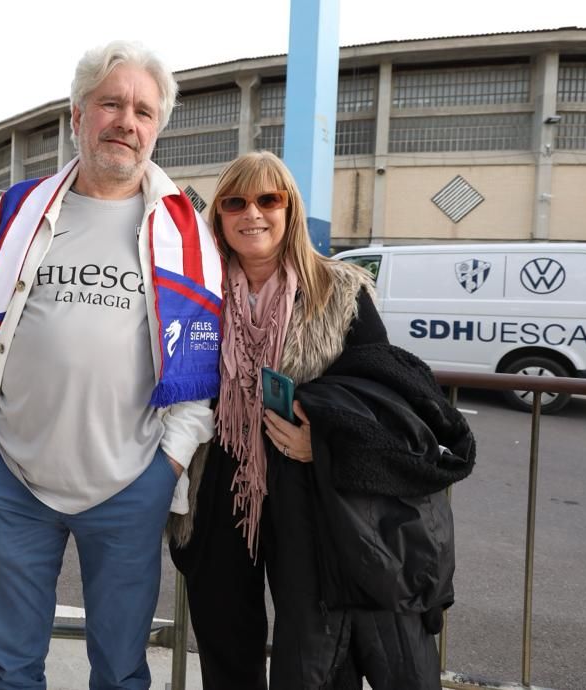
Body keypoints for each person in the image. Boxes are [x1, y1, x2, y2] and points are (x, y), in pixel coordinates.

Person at [0, 40, 223, 690]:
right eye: (112, 103)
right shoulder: (9, 217)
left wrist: (166, 468)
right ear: (78, 115)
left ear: (157, 127)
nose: (127, 121)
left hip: (130, 489)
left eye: (144, 111)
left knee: (121, 672)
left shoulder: (185, 233)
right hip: (11, 480)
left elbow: (200, 361)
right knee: (10, 670)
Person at [168, 152, 475, 690]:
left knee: (315, 650)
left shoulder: (341, 291)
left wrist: (325, 441)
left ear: (290, 210)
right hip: (217, 484)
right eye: (235, 202)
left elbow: (383, 392)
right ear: (218, 216)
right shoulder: (199, 292)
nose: (252, 214)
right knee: (224, 640)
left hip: (309, 492)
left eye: (269, 199)